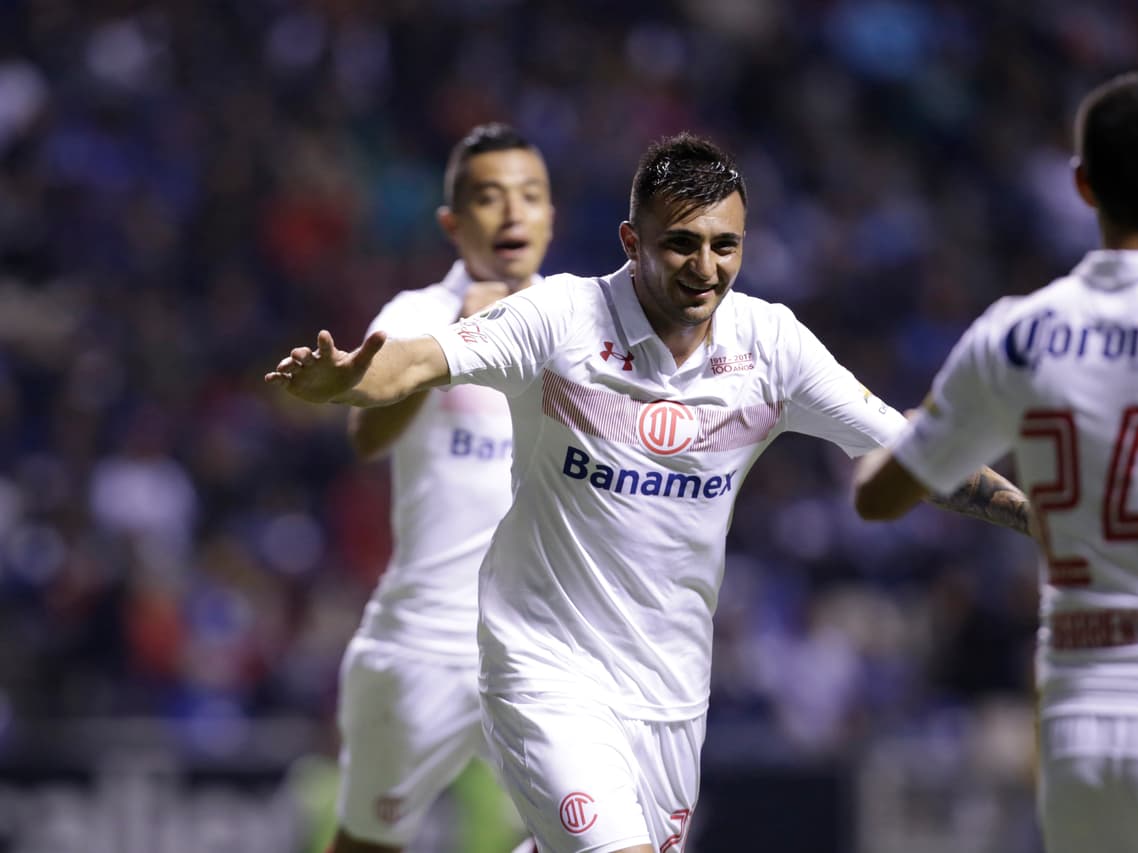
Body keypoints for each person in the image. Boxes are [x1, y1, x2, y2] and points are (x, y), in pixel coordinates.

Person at [268, 133, 1029, 853]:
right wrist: (349, 380)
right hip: (545, 670)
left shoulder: (770, 346)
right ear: (633, 242)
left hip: (669, 692)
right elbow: (415, 362)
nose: (705, 267)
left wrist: (1038, 519)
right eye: (681, 244)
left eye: (724, 246)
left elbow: (915, 451)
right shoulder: (560, 318)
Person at [855, 71, 1138, 852]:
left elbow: (878, 496)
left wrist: (916, 438)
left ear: (1084, 185)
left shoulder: (1017, 335)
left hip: (1081, 744)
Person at [331, 123, 554, 853]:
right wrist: (454, 346)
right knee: (366, 845)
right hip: (424, 640)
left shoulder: (585, 325)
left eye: (530, 196)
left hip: (544, 647)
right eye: (490, 198)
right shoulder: (416, 316)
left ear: (552, 214)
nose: (513, 213)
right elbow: (367, 435)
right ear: (454, 223)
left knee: (621, 836)